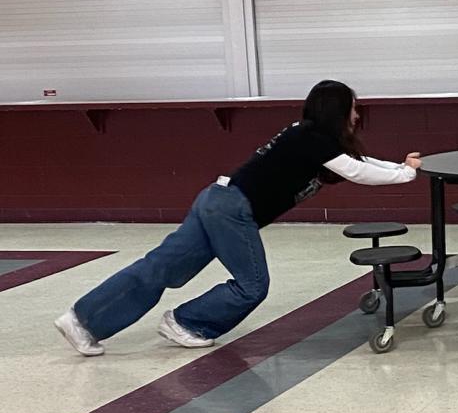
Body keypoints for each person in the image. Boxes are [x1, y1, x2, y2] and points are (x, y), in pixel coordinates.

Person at [55, 80, 421, 356]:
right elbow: (356, 172)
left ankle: (81, 321)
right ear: (337, 111)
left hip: (217, 200)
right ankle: (186, 322)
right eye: (354, 109)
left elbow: (358, 162)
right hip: (232, 209)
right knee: (252, 285)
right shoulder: (311, 138)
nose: (357, 116)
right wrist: (405, 175)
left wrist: (400, 166)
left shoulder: (311, 138)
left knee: (159, 268)